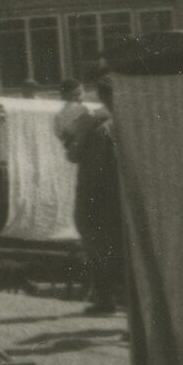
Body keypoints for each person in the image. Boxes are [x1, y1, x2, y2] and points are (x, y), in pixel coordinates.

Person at [72, 78, 125, 314]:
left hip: (98, 198)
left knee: (96, 246)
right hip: (121, 197)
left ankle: (106, 299)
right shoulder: (128, 123)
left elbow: (78, 157)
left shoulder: (99, 126)